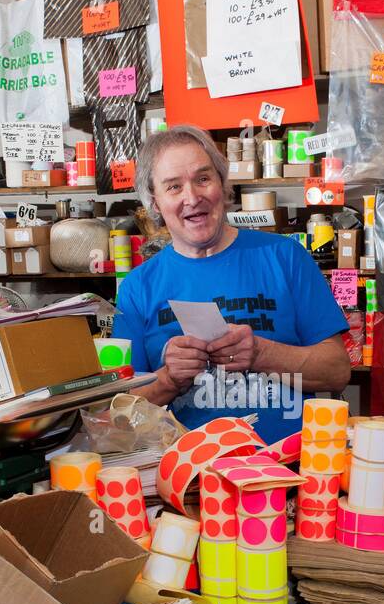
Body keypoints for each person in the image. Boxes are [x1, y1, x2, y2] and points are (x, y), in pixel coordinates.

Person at [111, 124, 351, 444]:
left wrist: (261, 353)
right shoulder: (138, 287)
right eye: (173, 187)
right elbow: (121, 413)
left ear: (223, 185)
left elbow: (337, 370)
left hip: (288, 465)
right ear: (155, 203)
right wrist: (170, 379)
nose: (192, 197)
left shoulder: (285, 257)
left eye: (203, 178)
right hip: (191, 475)